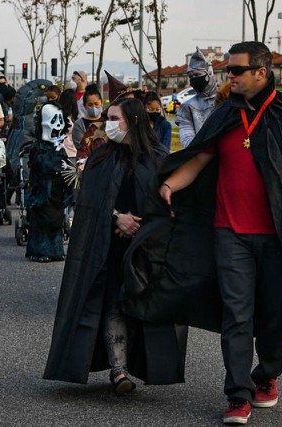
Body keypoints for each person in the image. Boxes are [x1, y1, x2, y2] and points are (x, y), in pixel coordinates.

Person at [156, 41, 282, 425]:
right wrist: (171, 184)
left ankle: (266, 375)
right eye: (228, 71)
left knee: (272, 314)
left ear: (261, 73)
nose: (229, 77)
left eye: (236, 70)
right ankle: (238, 395)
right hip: (229, 233)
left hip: (276, 237)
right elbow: (200, 158)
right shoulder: (224, 115)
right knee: (237, 314)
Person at [43, 97, 185, 394]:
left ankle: (136, 364)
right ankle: (119, 371)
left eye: (114, 118)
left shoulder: (158, 158)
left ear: (132, 121)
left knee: (142, 306)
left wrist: (142, 226)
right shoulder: (100, 159)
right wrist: (117, 219)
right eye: (107, 117)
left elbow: (169, 205)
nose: (108, 124)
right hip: (107, 246)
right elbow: (89, 205)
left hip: (146, 249)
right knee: (110, 304)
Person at [25, 103, 73, 263]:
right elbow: (40, 165)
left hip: (57, 190)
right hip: (42, 191)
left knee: (56, 220)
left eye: (60, 120)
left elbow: (65, 166)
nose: (58, 125)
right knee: (43, 220)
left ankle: (56, 249)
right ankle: (39, 250)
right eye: (53, 120)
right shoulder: (38, 148)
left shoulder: (60, 148)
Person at [176, 48, 218, 149]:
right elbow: (187, 138)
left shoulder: (225, 99)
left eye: (197, 75)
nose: (194, 78)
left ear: (209, 74)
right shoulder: (187, 107)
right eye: (191, 76)